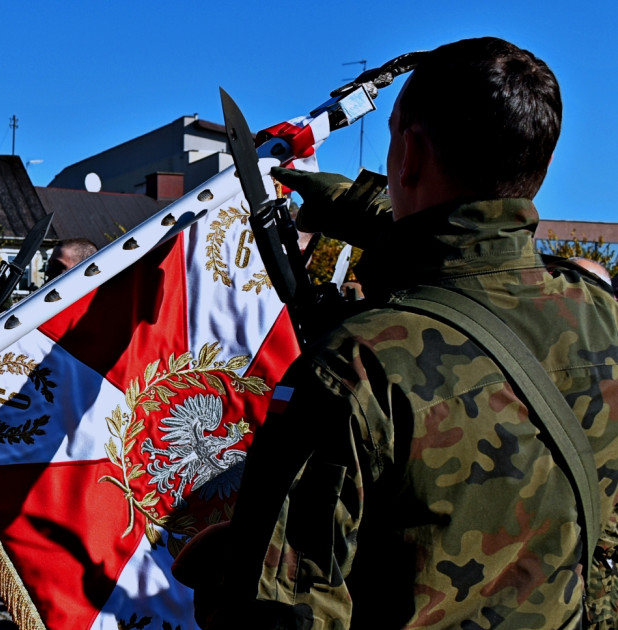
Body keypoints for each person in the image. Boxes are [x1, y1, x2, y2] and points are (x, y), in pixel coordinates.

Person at [176, 37, 618, 629]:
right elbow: (483, 250)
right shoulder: (602, 318)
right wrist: (358, 206)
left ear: (408, 153)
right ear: (539, 162)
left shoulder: (356, 367)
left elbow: (282, 613)